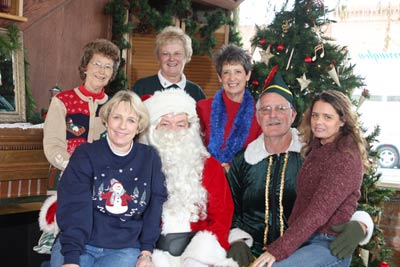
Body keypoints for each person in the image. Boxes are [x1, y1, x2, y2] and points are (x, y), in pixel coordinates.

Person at [227, 73, 374, 267]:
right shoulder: (243, 160)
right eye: (265, 109)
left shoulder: (307, 153)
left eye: (281, 108)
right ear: (257, 116)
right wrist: (237, 239)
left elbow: (335, 200)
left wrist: (362, 223)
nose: (273, 115)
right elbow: (229, 208)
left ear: (294, 115)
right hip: (257, 250)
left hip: (301, 247)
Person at [50, 90, 167, 267]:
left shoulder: (149, 158)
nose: (122, 126)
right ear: (106, 119)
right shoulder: (85, 155)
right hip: (80, 245)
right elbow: (74, 206)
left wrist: (146, 252)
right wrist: (72, 259)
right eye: (117, 117)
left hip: (124, 250)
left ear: (139, 126)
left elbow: (154, 207)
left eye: (131, 120)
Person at [35, 38, 121, 256]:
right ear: (85, 67)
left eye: (108, 67)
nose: (102, 71)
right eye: (97, 64)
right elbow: (53, 145)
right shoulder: (62, 101)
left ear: (113, 73)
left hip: (105, 181)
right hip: (66, 174)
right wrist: (77, 166)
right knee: (68, 243)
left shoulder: (115, 106)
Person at [141, 89, 238, 267]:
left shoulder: (210, 166)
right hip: (152, 251)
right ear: (153, 129)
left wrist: (201, 253)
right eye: (165, 124)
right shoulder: (141, 166)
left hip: (197, 251)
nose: (173, 131)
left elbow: (222, 214)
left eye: (180, 124)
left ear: (190, 128)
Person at [196, 44, 261, 172]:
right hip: (208, 179)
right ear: (220, 77)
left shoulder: (260, 113)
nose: (232, 78)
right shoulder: (202, 108)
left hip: (244, 183)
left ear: (247, 75)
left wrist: (234, 169)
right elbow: (194, 150)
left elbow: (261, 156)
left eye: (238, 71)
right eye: (226, 72)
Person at [131, 26, 205, 102]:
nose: (171, 59)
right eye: (165, 54)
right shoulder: (141, 87)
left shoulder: (196, 92)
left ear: (187, 56)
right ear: (158, 57)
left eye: (177, 53)